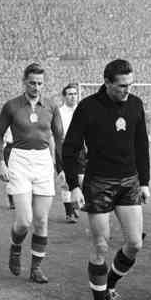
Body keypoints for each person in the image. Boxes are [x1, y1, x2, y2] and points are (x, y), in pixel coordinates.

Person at [62, 61, 149, 300]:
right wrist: (74, 186)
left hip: (130, 181)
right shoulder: (88, 107)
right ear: (107, 82)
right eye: (122, 86)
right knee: (101, 245)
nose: (127, 90)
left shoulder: (135, 104)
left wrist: (144, 182)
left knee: (135, 243)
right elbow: (70, 148)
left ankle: (109, 284)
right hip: (98, 182)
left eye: (130, 85)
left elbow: (141, 144)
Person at [0, 63, 65, 284]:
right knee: (24, 220)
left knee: (42, 220)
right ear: (24, 82)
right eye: (32, 83)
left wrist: (62, 169)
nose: (36, 87)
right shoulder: (12, 106)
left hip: (43, 160)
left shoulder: (51, 106)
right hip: (20, 160)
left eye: (40, 83)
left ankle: (36, 268)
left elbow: (60, 139)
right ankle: (15, 248)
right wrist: (0, 163)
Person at [57, 82, 84, 223]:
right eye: (70, 94)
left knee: (81, 180)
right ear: (64, 96)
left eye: (75, 94)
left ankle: (75, 202)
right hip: (63, 148)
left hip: (80, 150)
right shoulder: (59, 112)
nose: (73, 97)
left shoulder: (82, 110)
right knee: (65, 181)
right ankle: (69, 213)